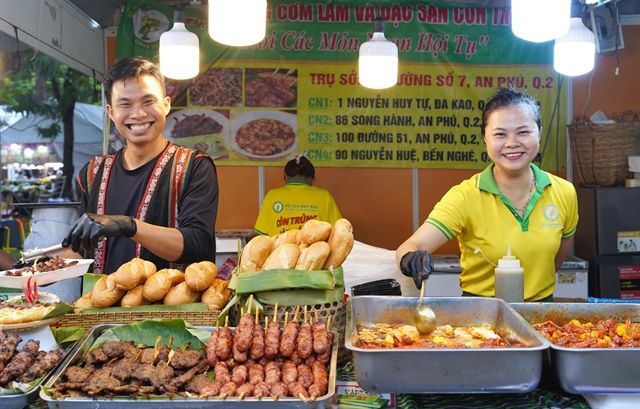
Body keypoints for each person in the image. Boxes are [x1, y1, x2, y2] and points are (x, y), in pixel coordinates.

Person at [396, 88, 578, 302]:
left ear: (539, 132)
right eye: (500, 134)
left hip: (541, 317)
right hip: (478, 319)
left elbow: (557, 258)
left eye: (523, 132)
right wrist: (411, 258)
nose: (512, 143)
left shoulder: (564, 192)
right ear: (485, 138)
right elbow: (409, 247)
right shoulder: (464, 196)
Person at [63, 57, 219, 274]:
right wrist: (38, 267)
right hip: (101, 304)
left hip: (175, 307)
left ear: (166, 105)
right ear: (111, 112)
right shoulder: (93, 173)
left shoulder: (194, 167)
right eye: (125, 104)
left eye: (148, 101)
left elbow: (198, 244)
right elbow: (83, 249)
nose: (138, 114)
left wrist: (129, 226)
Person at [254, 155, 342, 236]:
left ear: (285, 176)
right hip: (314, 252)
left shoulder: (272, 196)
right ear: (312, 178)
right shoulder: (324, 196)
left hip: (280, 252)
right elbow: (338, 231)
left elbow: (262, 234)